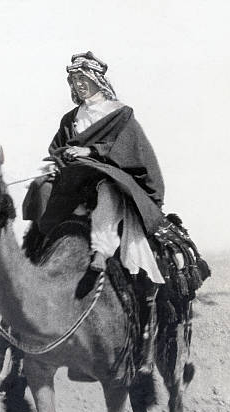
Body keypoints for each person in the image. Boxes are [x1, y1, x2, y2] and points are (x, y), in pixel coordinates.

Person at [23, 51, 165, 284]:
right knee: (40, 187)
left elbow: (128, 150)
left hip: (110, 174)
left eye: (83, 79)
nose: (79, 85)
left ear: (97, 80)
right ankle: (40, 249)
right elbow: (58, 147)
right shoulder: (70, 118)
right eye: (75, 81)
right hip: (75, 177)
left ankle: (102, 250)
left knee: (107, 191)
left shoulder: (120, 113)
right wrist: (59, 160)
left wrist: (90, 151)